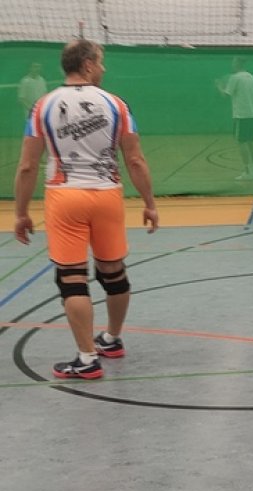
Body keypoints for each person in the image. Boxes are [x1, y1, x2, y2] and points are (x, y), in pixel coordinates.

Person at [13, 39, 158, 380]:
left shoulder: (42, 106)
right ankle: (112, 339)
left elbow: (27, 166)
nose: (103, 69)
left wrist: (21, 213)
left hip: (64, 197)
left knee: (71, 278)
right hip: (107, 195)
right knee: (113, 271)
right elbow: (135, 159)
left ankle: (87, 358)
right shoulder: (116, 104)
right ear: (88, 65)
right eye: (101, 62)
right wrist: (150, 203)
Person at [215, 57, 253, 180]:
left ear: (238, 63)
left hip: (242, 115)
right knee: (251, 143)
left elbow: (225, 95)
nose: (232, 64)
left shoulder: (235, 78)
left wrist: (219, 86)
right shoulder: (251, 77)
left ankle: (247, 172)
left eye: (234, 62)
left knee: (241, 143)